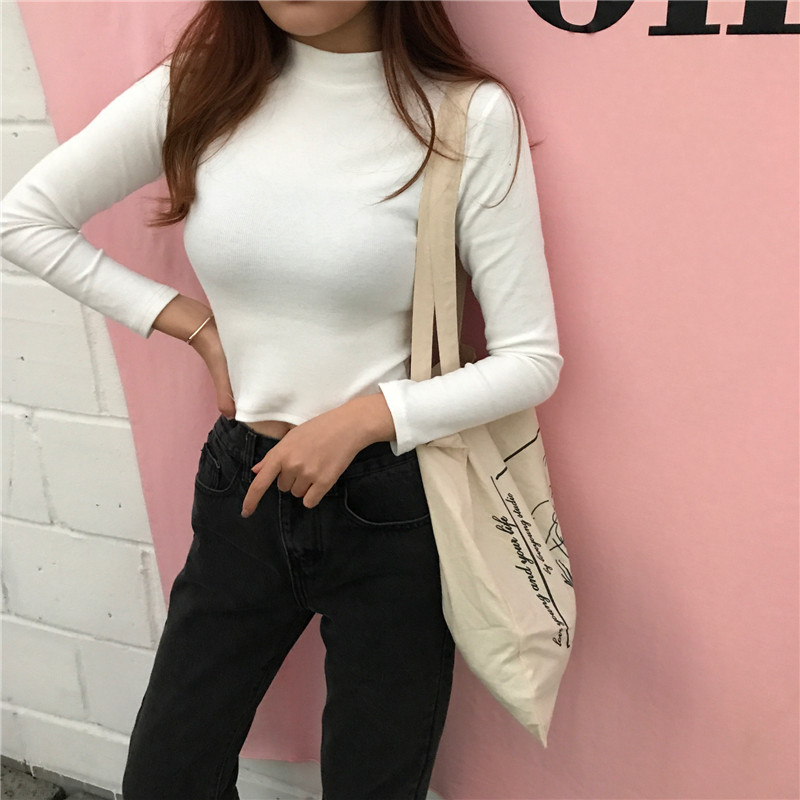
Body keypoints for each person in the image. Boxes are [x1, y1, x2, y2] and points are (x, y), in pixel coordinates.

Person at [0, 1, 564, 797]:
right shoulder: (200, 89)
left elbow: (532, 360)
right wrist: (194, 326)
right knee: (167, 776)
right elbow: (24, 218)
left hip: (391, 502)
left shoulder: (465, 115)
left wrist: (366, 418)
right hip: (242, 490)